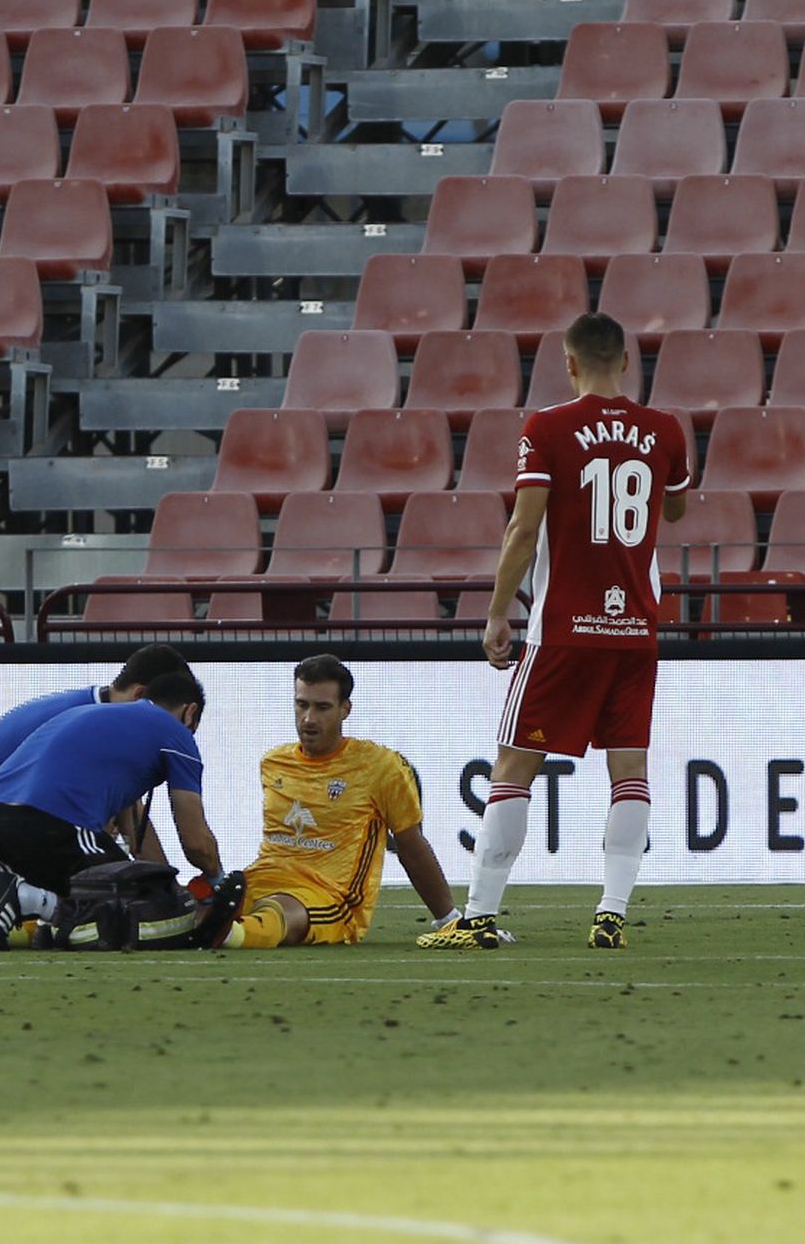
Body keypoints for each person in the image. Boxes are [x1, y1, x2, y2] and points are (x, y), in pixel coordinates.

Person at [418, 310, 691, 952]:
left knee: (514, 764)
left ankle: (479, 917)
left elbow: (523, 525)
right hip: (635, 630)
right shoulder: (663, 430)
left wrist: (495, 612)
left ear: (569, 364)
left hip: (565, 625)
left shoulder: (548, 427)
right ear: (626, 360)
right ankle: (612, 912)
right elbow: (673, 505)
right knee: (629, 768)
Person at [0, 644, 187, 946]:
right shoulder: (99, 723)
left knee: (122, 888)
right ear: (140, 696)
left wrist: (164, 886)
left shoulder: (88, 713)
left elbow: (130, 816)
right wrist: (169, 898)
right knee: (107, 903)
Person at [215, 653, 463, 948]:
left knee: (277, 914)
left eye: (322, 708)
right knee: (200, 904)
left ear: (345, 709)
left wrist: (449, 920)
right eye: (301, 704)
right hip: (262, 878)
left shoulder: (380, 767)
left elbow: (412, 846)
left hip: (328, 895)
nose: (308, 718)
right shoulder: (274, 762)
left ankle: (231, 935)